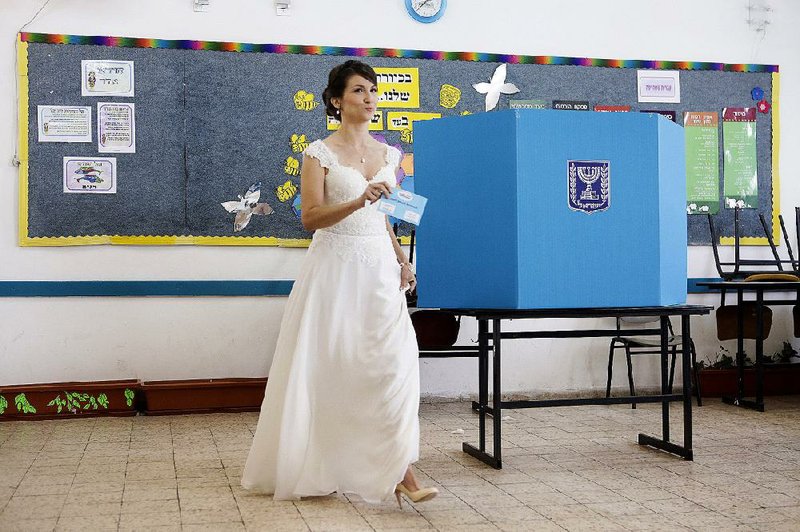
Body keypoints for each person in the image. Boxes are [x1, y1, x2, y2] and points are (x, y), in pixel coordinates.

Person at [241, 60, 438, 507]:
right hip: (335, 268)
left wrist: (402, 260)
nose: (369, 99)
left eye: (372, 91)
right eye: (357, 91)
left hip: (379, 272)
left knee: (391, 364)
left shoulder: (390, 156)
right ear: (336, 101)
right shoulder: (319, 153)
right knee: (339, 366)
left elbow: (385, 217)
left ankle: (396, 464)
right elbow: (310, 218)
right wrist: (356, 201)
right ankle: (396, 474)